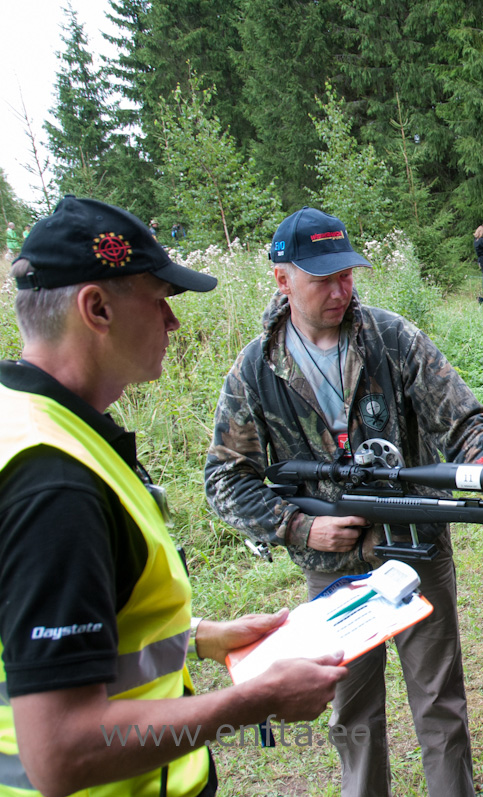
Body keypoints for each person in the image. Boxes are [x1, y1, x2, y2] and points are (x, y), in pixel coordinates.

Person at [0, 196, 346, 797]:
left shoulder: (25, 424)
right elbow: (60, 751)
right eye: (159, 298)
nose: (172, 321)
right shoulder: (54, 484)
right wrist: (254, 700)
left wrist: (196, 637)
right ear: (97, 308)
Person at [205, 206, 483, 797]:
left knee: (441, 705)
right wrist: (298, 527)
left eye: (347, 275)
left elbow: (463, 419)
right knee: (353, 716)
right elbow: (224, 478)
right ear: (282, 279)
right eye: (323, 279)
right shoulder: (255, 371)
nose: (341, 291)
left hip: (416, 548)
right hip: (332, 570)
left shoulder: (391, 337)